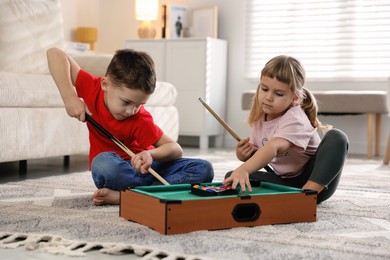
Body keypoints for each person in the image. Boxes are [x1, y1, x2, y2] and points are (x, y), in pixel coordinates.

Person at [47, 48, 214, 205]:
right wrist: (70, 97)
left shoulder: (140, 117)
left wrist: (150, 154)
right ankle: (153, 191)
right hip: (119, 171)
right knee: (103, 164)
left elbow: (175, 149)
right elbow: (54, 53)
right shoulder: (92, 87)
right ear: (105, 84)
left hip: (147, 167)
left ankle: (128, 196)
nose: (131, 111)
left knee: (204, 169)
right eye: (126, 102)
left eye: (139, 104)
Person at [223, 55, 348, 203]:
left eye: (279, 94)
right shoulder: (261, 118)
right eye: (264, 89)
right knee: (232, 178)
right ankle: (293, 196)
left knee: (337, 137)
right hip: (286, 182)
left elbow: (274, 147)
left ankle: (307, 196)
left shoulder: (295, 118)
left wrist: (244, 168)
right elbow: (261, 155)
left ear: (295, 98)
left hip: (314, 179)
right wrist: (244, 156)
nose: (268, 97)